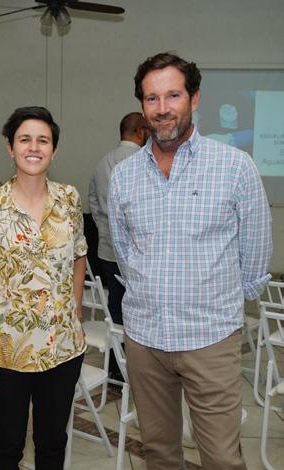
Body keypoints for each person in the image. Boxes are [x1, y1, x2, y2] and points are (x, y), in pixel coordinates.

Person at [108, 52, 272, 469]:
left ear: (194, 99)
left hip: (210, 340)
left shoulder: (234, 167)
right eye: (152, 98)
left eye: (173, 96)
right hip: (145, 339)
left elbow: (255, 259)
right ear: (142, 105)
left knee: (222, 458)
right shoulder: (124, 176)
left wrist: (215, 304)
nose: (162, 108)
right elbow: (125, 254)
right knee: (160, 453)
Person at [0, 106, 87, 469]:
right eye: (24, 139)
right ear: (10, 147)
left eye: (43, 140)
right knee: (7, 447)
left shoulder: (69, 199)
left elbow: (78, 256)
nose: (34, 147)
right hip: (7, 353)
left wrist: (75, 314)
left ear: (54, 149)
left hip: (62, 351)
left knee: (52, 445)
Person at [88, 112, 148, 325]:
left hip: (107, 247)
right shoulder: (145, 162)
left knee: (115, 302)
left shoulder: (102, 162)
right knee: (139, 307)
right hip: (138, 252)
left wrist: (104, 226)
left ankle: (115, 345)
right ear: (141, 132)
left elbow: (93, 200)